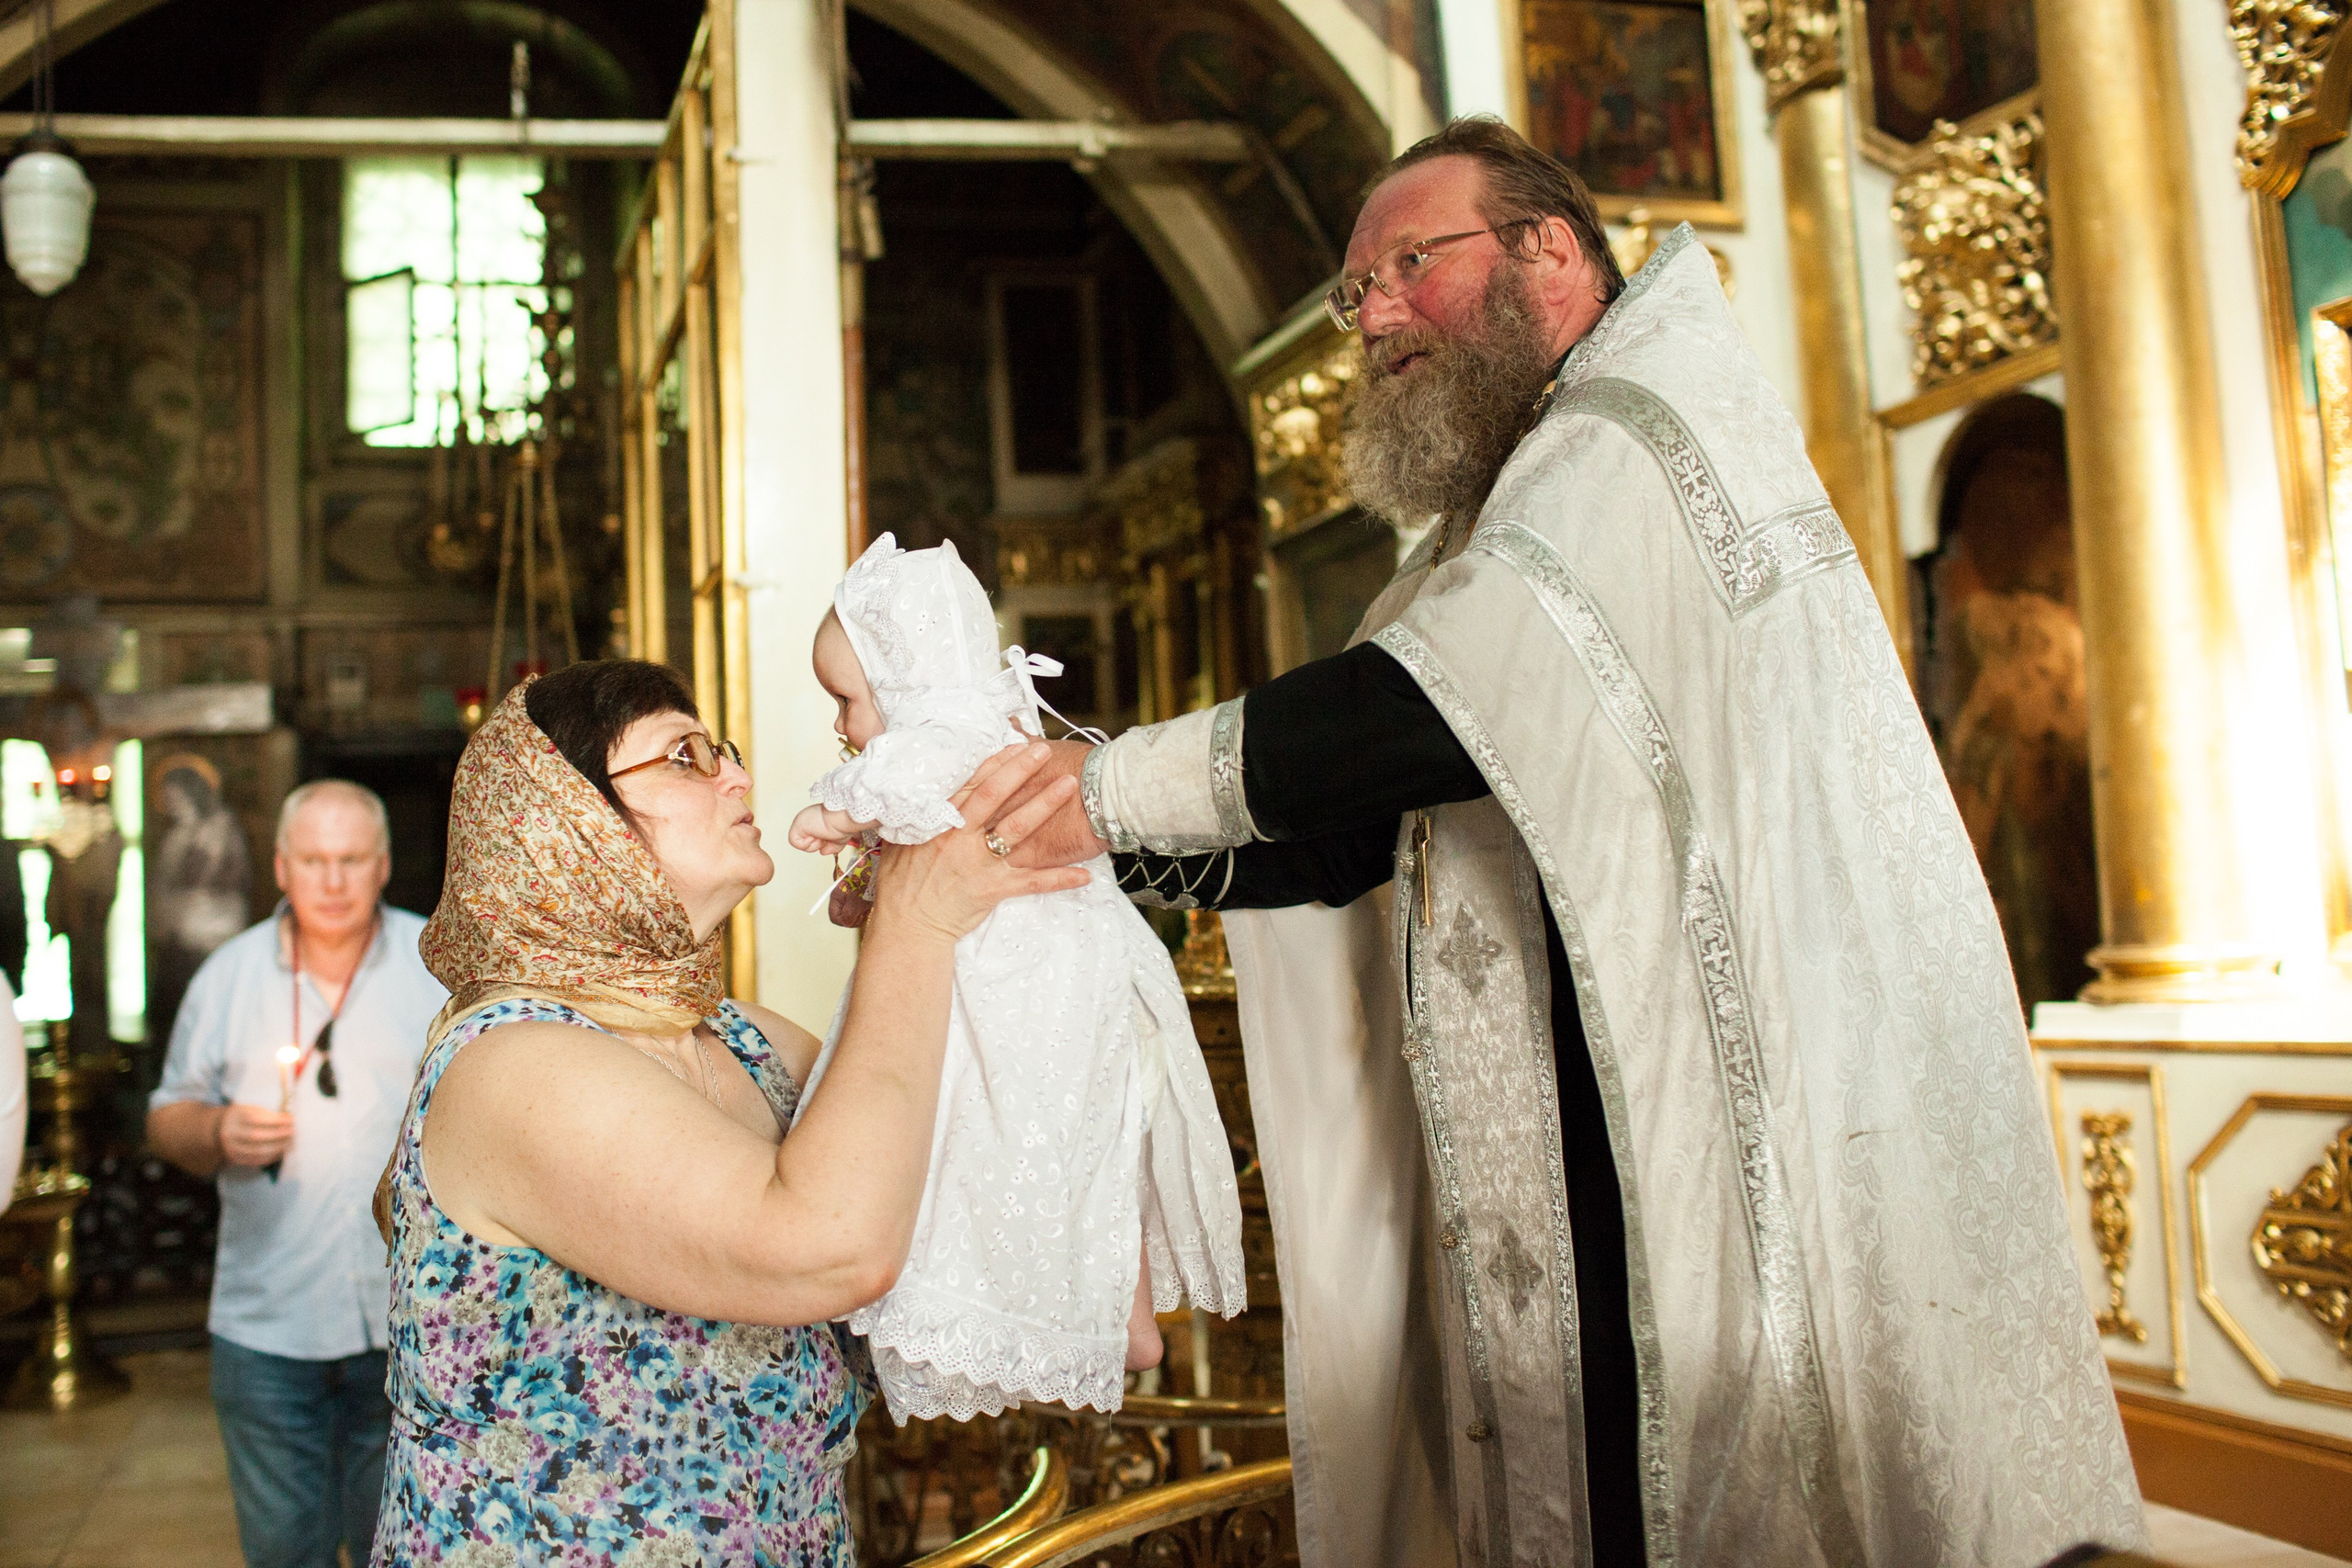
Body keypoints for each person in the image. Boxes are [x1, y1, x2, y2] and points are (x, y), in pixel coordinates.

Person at [978, 118, 2143, 1568]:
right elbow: (1356, 830)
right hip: (1581, 1113)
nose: (1376, 314)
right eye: (1356, 293)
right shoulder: (1486, 530)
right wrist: (1065, 847)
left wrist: (1091, 785)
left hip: (1720, 1121)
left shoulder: (1637, 437)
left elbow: (1418, 720)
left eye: (1411, 263)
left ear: (1550, 250)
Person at [369, 662, 1085, 1565]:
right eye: (685, 756)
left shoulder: (744, 1043)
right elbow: (832, 1247)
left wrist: (997, 928)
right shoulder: (507, 1064)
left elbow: (1005, 1201)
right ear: (564, 827)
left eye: (726, 752)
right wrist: (911, 922)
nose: (738, 777)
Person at [788, 535, 1243, 1423]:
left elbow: (911, 780)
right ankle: (1129, 1317)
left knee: (991, 1135)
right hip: (1080, 969)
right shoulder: (998, 726)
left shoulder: (950, 735)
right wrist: (868, 884)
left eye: (847, 699)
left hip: (1027, 983)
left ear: (905, 680)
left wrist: (833, 809)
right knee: (1091, 1149)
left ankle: (1052, 1306)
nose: (842, 725)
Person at [147, 779, 447, 1568]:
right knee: (284, 1551)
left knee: (405, 1548)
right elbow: (166, 1117)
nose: (334, 880)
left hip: (408, 1322)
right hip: (267, 1325)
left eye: (352, 859)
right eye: (315, 860)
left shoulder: (435, 969)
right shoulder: (229, 976)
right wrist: (216, 1128)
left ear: (384, 865)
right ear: (281, 867)